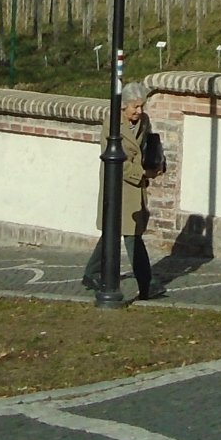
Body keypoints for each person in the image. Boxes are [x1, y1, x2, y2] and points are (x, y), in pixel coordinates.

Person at [82, 84, 167, 299]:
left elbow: (150, 144)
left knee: (114, 232)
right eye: (135, 107)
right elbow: (116, 161)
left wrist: (158, 162)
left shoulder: (143, 121)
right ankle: (146, 284)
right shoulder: (111, 124)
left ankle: (91, 273)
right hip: (118, 185)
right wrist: (143, 173)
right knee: (132, 235)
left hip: (135, 187)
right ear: (123, 106)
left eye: (142, 106)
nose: (139, 111)